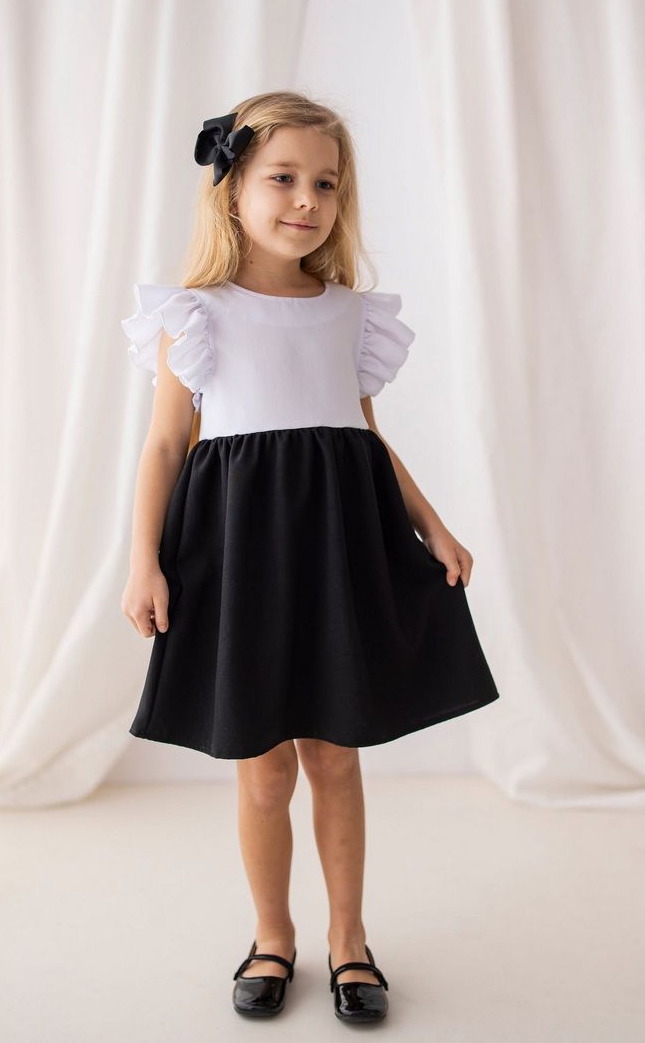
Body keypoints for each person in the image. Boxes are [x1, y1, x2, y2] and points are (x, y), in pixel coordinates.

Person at [119, 90, 500, 1023]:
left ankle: (349, 938)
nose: (306, 200)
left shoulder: (346, 315)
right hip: (237, 554)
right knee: (262, 766)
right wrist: (143, 561)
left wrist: (432, 524)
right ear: (231, 187)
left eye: (326, 184)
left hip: (337, 549)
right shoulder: (194, 315)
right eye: (282, 178)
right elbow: (165, 446)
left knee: (334, 755)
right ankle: (271, 935)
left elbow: (364, 436)